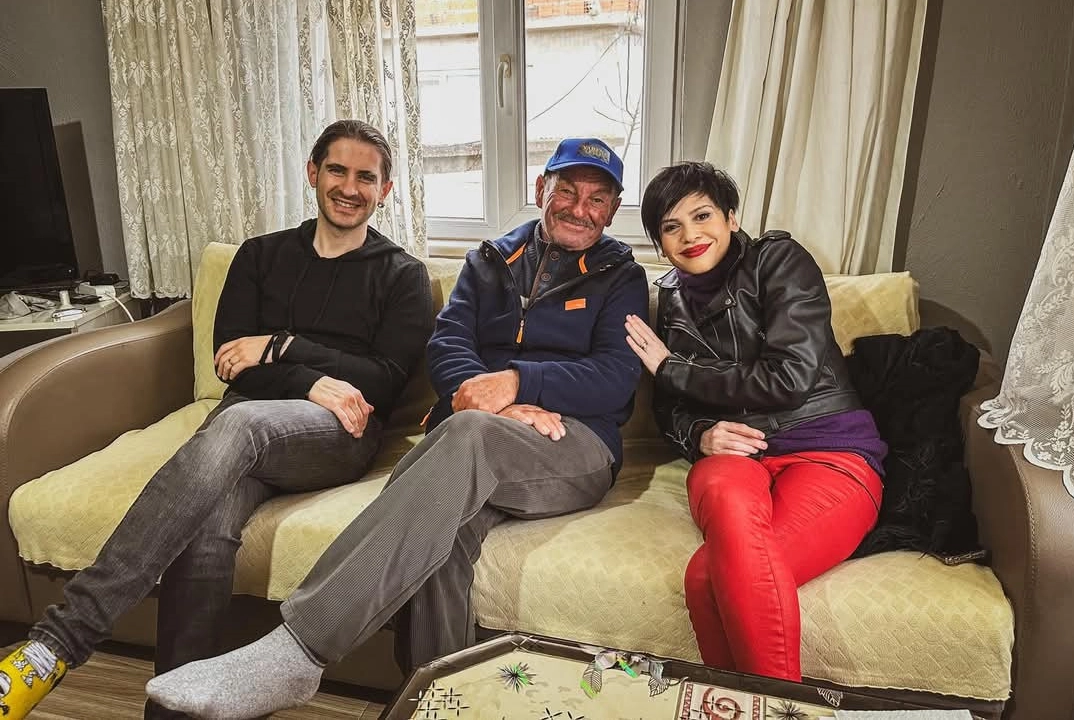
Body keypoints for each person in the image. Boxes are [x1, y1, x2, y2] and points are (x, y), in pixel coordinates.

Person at [142, 137, 649, 719]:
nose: (580, 209)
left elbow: (615, 377)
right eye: (567, 191)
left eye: (597, 199)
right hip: (477, 433)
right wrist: (489, 401)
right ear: (541, 190)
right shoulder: (490, 261)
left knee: (466, 435)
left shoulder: (621, 276)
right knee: (438, 532)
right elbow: (446, 345)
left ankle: (298, 648)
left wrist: (515, 382)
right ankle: (435, 702)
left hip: (571, 444)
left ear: (613, 209)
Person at [0, 119, 434, 720]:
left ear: (384, 190)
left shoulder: (402, 275)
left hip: (336, 436)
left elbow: (382, 382)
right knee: (206, 529)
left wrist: (280, 347)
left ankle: (59, 641)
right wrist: (314, 379)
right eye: (337, 170)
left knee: (237, 424)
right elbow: (231, 363)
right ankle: (172, 713)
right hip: (248, 426)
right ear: (313, 173)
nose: (349, 187)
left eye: (366, 177)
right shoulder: (260, 256)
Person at [623, 162, 886, 682]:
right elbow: (669, 408)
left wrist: (675, 369)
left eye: (702, 216)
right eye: (672, 227)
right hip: (733, 455)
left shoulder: (780, 261)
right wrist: (700, 434)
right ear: (660, 243)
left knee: (705, 578)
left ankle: (767, 708)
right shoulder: (670, 298)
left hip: (828, 448)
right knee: (715, 554)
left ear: (731, 218)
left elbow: (789, 377)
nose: (690, 235)